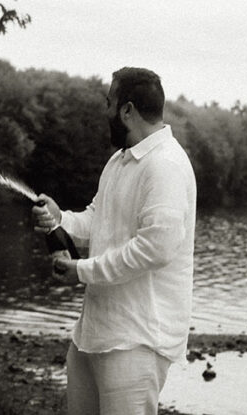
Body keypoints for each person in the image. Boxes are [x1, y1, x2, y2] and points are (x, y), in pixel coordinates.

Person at [32, 67, 197, 415]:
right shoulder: (120, 161)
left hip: (137, 341)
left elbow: (156, 248)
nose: (105, 111)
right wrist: (60, 217)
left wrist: (82, 269)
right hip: (94, 334)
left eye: (109, 102)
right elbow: (98, 218)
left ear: (127, 110)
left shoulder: (165, 165)